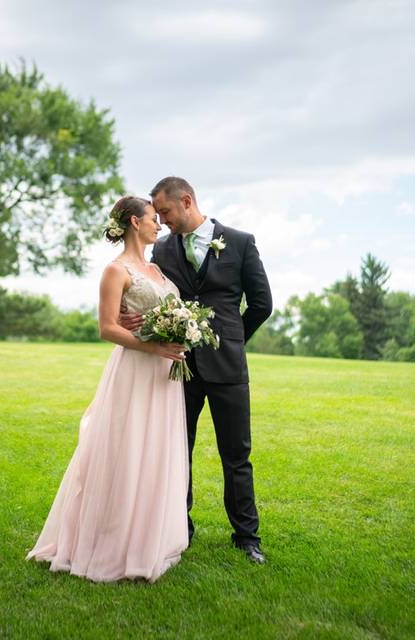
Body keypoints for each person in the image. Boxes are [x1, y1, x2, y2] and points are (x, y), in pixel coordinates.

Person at [26, 196, 190, 583]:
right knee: (128, 449)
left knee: (156, 452)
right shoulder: (115, 271)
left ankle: (150, 537)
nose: (159, 225)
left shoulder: (154, 268)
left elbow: (156, 314)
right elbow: (107, 327)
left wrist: (180, 330)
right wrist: (152, 343)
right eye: (154, 219)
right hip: (135, 369)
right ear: (135, 222)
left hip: (163, 375)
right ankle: (114, 541)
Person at [121, 177, 273, 564]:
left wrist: (233, 339)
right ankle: (178, 530)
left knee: (236, 455)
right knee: (177, 451)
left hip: (227, 367)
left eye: (166, 212)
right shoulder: (163, 250)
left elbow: (261, 304)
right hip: (178, 367)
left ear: (186, 202)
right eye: (157, 214)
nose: (162, 220)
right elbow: (151, 292)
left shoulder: (240, 242)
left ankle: (246, 537)